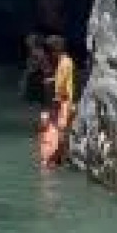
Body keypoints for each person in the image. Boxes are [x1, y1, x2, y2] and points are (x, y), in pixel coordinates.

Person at [39, 36, 76, 167]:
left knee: (54, 134)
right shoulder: (63, 62)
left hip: (61, 103)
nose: (49, 56)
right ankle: (55, 159)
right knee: (54, 134)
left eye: (50, 52)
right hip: (61, 103)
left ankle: (52, 160)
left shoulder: (64, 63)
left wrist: (50, 109)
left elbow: (60, 89)